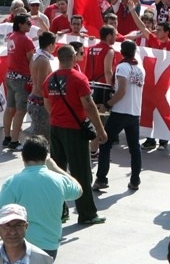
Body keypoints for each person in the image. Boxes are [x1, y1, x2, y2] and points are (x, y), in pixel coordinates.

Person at [42, 45, 108, 225]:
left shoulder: (50, 79)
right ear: (72, 58)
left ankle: (59, 212)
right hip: (74, 129)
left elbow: (47, 104)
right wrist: (100, 130)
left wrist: (58, 115)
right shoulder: (79, 78)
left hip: (55, 127)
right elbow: (88, 105)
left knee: (58, 172)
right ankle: (87, 213)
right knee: (81, 172)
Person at [0, 136, 82, 258]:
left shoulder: (13, 182)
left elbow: (2, 212)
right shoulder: (59, 180)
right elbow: (78, 190)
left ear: (23, 157)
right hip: (50, 246)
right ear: (46, 157)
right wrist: (54, 167)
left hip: (20, 245)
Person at [93, 40, 145, 192]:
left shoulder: (122, 67)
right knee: (134, 148)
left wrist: (107, 104)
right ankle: (135, 180)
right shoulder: (140, 69)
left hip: (120, 111)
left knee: (105, 143)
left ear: (121, 52)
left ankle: (101, 178)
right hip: (134, 113)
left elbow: (121, 91)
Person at [4, 14, 36, 150]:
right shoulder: (26, 40)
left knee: (10, 108)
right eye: (28, 23)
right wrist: (34, 78)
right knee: (20, 110)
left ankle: (7, 138)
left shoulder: (11, 37)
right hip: (22, 79)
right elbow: (31, 61)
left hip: (10, 77)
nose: (30, 25)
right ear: (20, 24)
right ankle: (15, 141)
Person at [27, 31, 57, 138]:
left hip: (34, 99)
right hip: (40, 103)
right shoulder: (43, 60)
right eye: (55, 43)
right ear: (50, 45)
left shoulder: (35, 56)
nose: (56, 46)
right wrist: (51, 104)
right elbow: (41, 86)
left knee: (37, 136)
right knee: (41, 139)